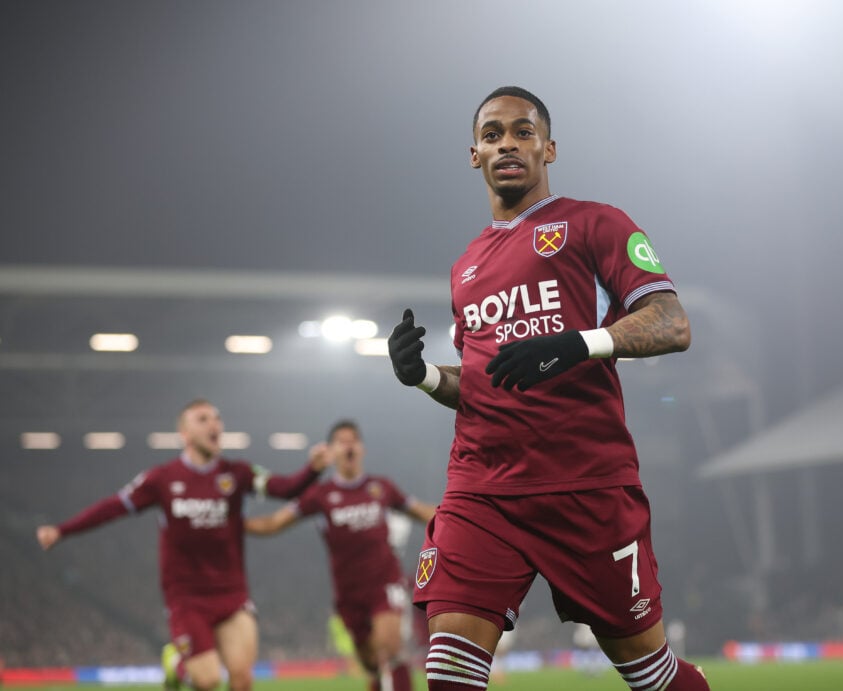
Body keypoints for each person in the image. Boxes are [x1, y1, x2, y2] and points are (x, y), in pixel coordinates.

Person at [387, 86, 708, 691]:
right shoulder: (466, 267)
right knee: (448, 677)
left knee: (656, 679)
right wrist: (425, 377)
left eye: (522, 131)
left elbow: (672, 322)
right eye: (492, 134)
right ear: (474, 155)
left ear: (548, 148)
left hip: (585, 487)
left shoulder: (595, 224)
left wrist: (579, 342)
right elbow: (486, 382)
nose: (507, 142)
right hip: (482, 490)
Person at [35, 399, 327, 691]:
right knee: (208, 681)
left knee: (242, 679)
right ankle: (176, 664)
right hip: (187, 598)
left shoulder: (238, 474)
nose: (214, 424)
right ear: (184, 434)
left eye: (216, 418)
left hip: (232, 593)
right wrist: (63, 530)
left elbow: (285, 488)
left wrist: (312, 470)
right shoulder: (162, 479)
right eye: (202, 419)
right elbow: (114, 507)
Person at [245, 420, 436, 691]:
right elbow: (275, 522)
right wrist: (234, 526)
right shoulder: (320, 496)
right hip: (348, 594)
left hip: (385, 583)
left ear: (362, 449)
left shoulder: (381, 487)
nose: (349, 445)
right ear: (331, 451)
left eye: (354, 440)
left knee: (390, 650)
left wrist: (459, 515)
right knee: (371, 663)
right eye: (342, 440)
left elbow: (420, 511)